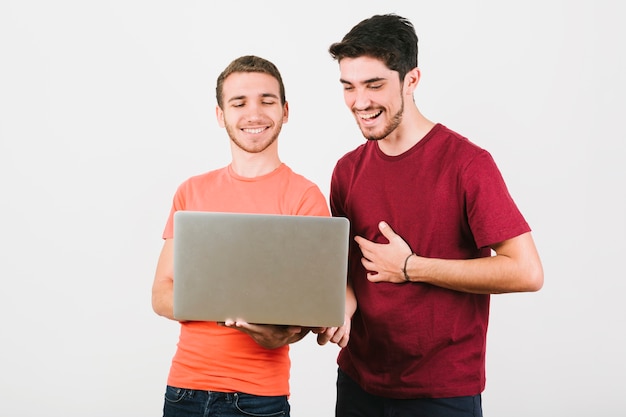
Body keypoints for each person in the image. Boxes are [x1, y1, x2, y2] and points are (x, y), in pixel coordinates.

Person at [315, 14, 544, 417]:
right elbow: (348, 270)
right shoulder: (346, 171)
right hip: (357, 383)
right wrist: (341, 307)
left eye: (374, 85)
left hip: (441, 392)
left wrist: (410, 267)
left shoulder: (467, 164)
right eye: (348, 87)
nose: (360, 101)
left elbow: (526, 271)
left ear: (411, 80)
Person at [151, 55, 329, 417]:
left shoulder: (304, 197)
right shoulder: (192, 192)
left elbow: (310, 311)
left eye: (267, 100)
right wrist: (229, 311)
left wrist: (282, 332)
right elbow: (160, 294)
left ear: (285, 111)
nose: (254, 114)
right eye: (239, 102)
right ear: (221, 115)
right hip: (185, 389)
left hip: (258, 398)